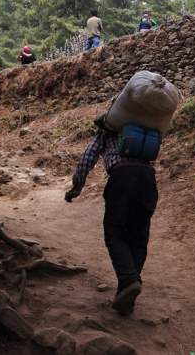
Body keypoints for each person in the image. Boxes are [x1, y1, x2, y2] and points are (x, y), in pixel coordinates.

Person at [64, 118, 158, 316]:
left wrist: (76, 188)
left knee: (114, 232)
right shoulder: (145, 128)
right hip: (148, 179)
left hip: (122, 176)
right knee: (138, 238)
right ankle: (125, 295)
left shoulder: (107, 131)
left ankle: (130, 279)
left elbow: (87, 158)